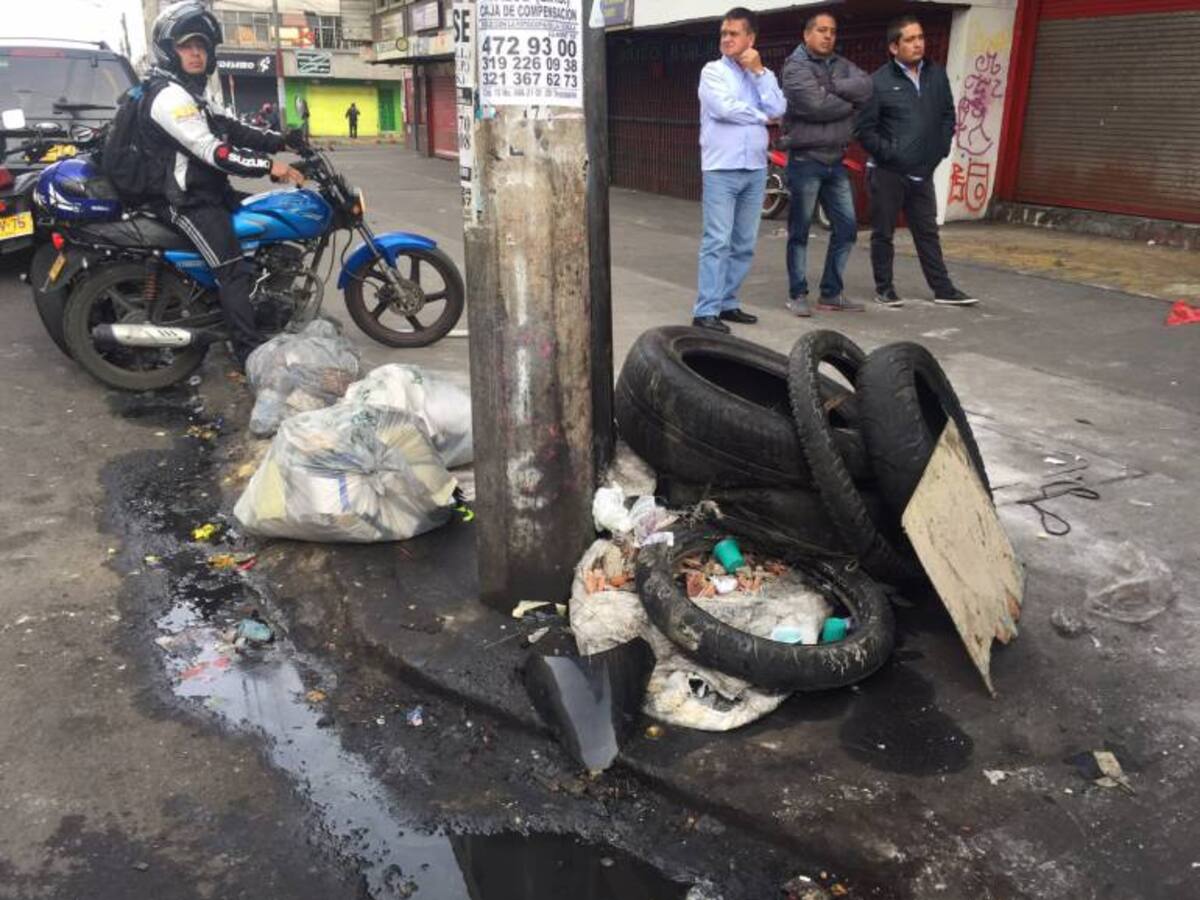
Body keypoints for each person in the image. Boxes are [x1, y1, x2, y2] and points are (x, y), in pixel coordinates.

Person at [140, 1, 305, 367]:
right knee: (232, 269)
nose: (196, 53)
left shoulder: (196, 92)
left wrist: (284, 141)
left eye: (201, 46)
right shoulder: (169, 96)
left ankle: (267, 303)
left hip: (210, 193)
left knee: (269, 220)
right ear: (170, 51)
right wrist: (268, 166)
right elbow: (214, 151)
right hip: (184, 201)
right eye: (187, 46)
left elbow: (234, 129)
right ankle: (249, 355)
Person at [854, 15, 978, 307]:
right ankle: (885, 288)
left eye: (920, 37)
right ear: (894, 47)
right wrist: (890, 153)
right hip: (888, 172)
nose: (918, 43)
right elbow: (864, 130)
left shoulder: (936, 74)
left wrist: (941, 148)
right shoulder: (878, 82)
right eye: (910, 39)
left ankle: (943, 289)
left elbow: (948, 114)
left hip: (922, 171)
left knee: (927, 233)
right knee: (883, 233)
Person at [691, 7, 786, 333]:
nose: (727, 39)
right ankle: (705, 310)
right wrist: (762, 117)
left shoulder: (764, 75)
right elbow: (723, 109)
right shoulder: (712, 72)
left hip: (755, 168)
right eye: (723, 33)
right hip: (721, 168)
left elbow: (779, 108)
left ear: (751, 38)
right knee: (717, 241)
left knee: (744, 242)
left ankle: (727, 303)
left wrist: (759, 73)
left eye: (733, 33)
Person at [780, 12, 873, 317]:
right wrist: (847, 103)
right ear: (807, 34)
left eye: (832, 31)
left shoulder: (841, 64)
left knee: (847, 228)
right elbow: (814, 105)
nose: (828, 36)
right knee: (800, 231)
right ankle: (797, 294)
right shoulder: (795, 66)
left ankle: (831, 293)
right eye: (821, 30)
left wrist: (831, 87)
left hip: (836, 160)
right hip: (806, 159)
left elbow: (866, 87)